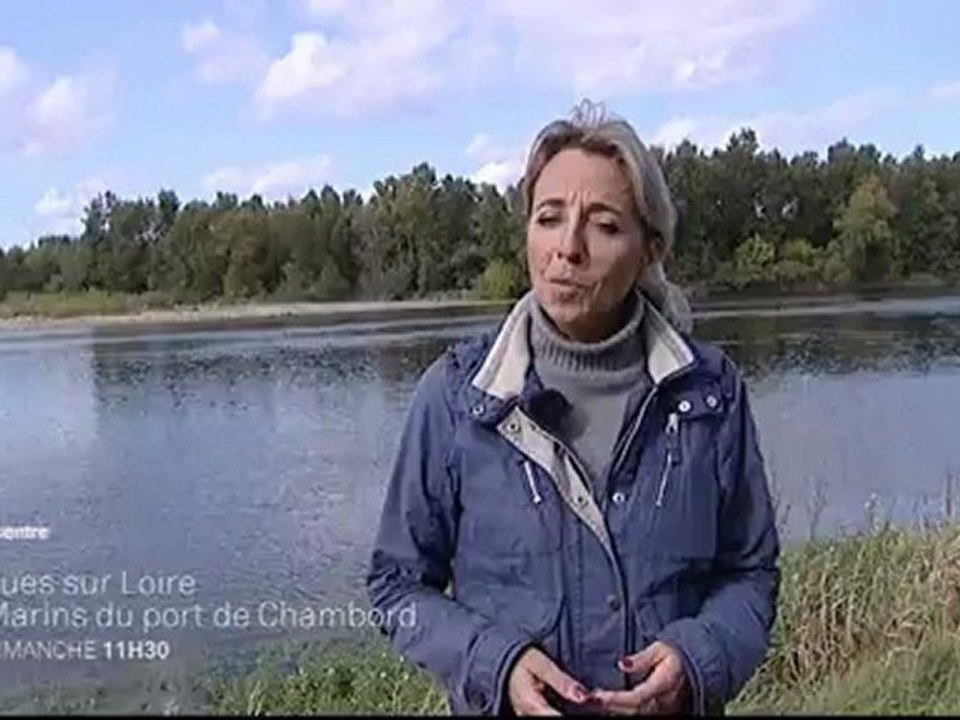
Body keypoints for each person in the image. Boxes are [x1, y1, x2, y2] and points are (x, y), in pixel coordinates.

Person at [366, 100, 780, 716]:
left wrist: (696, 658)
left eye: (605, 226)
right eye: (549, 218)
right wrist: (494, 663)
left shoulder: (709, 395)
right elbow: (394, 587)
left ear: (649, 250)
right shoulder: (458, 398)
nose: (569, 249)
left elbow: (751, 575)